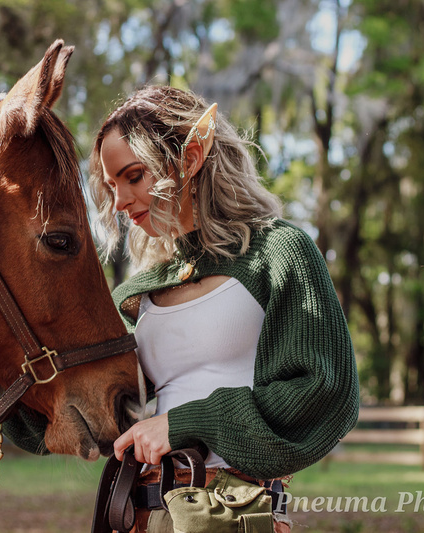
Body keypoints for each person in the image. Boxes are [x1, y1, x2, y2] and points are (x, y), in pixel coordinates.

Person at [87, 85, 360, 533]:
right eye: (111, 184)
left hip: (231, 511)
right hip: (136, 512)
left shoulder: (278, 252)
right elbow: (99, 406)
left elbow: (324, 390)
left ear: (190, 156)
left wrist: (183, 424)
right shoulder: (137, 292)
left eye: (133, 176)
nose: (119, 202)